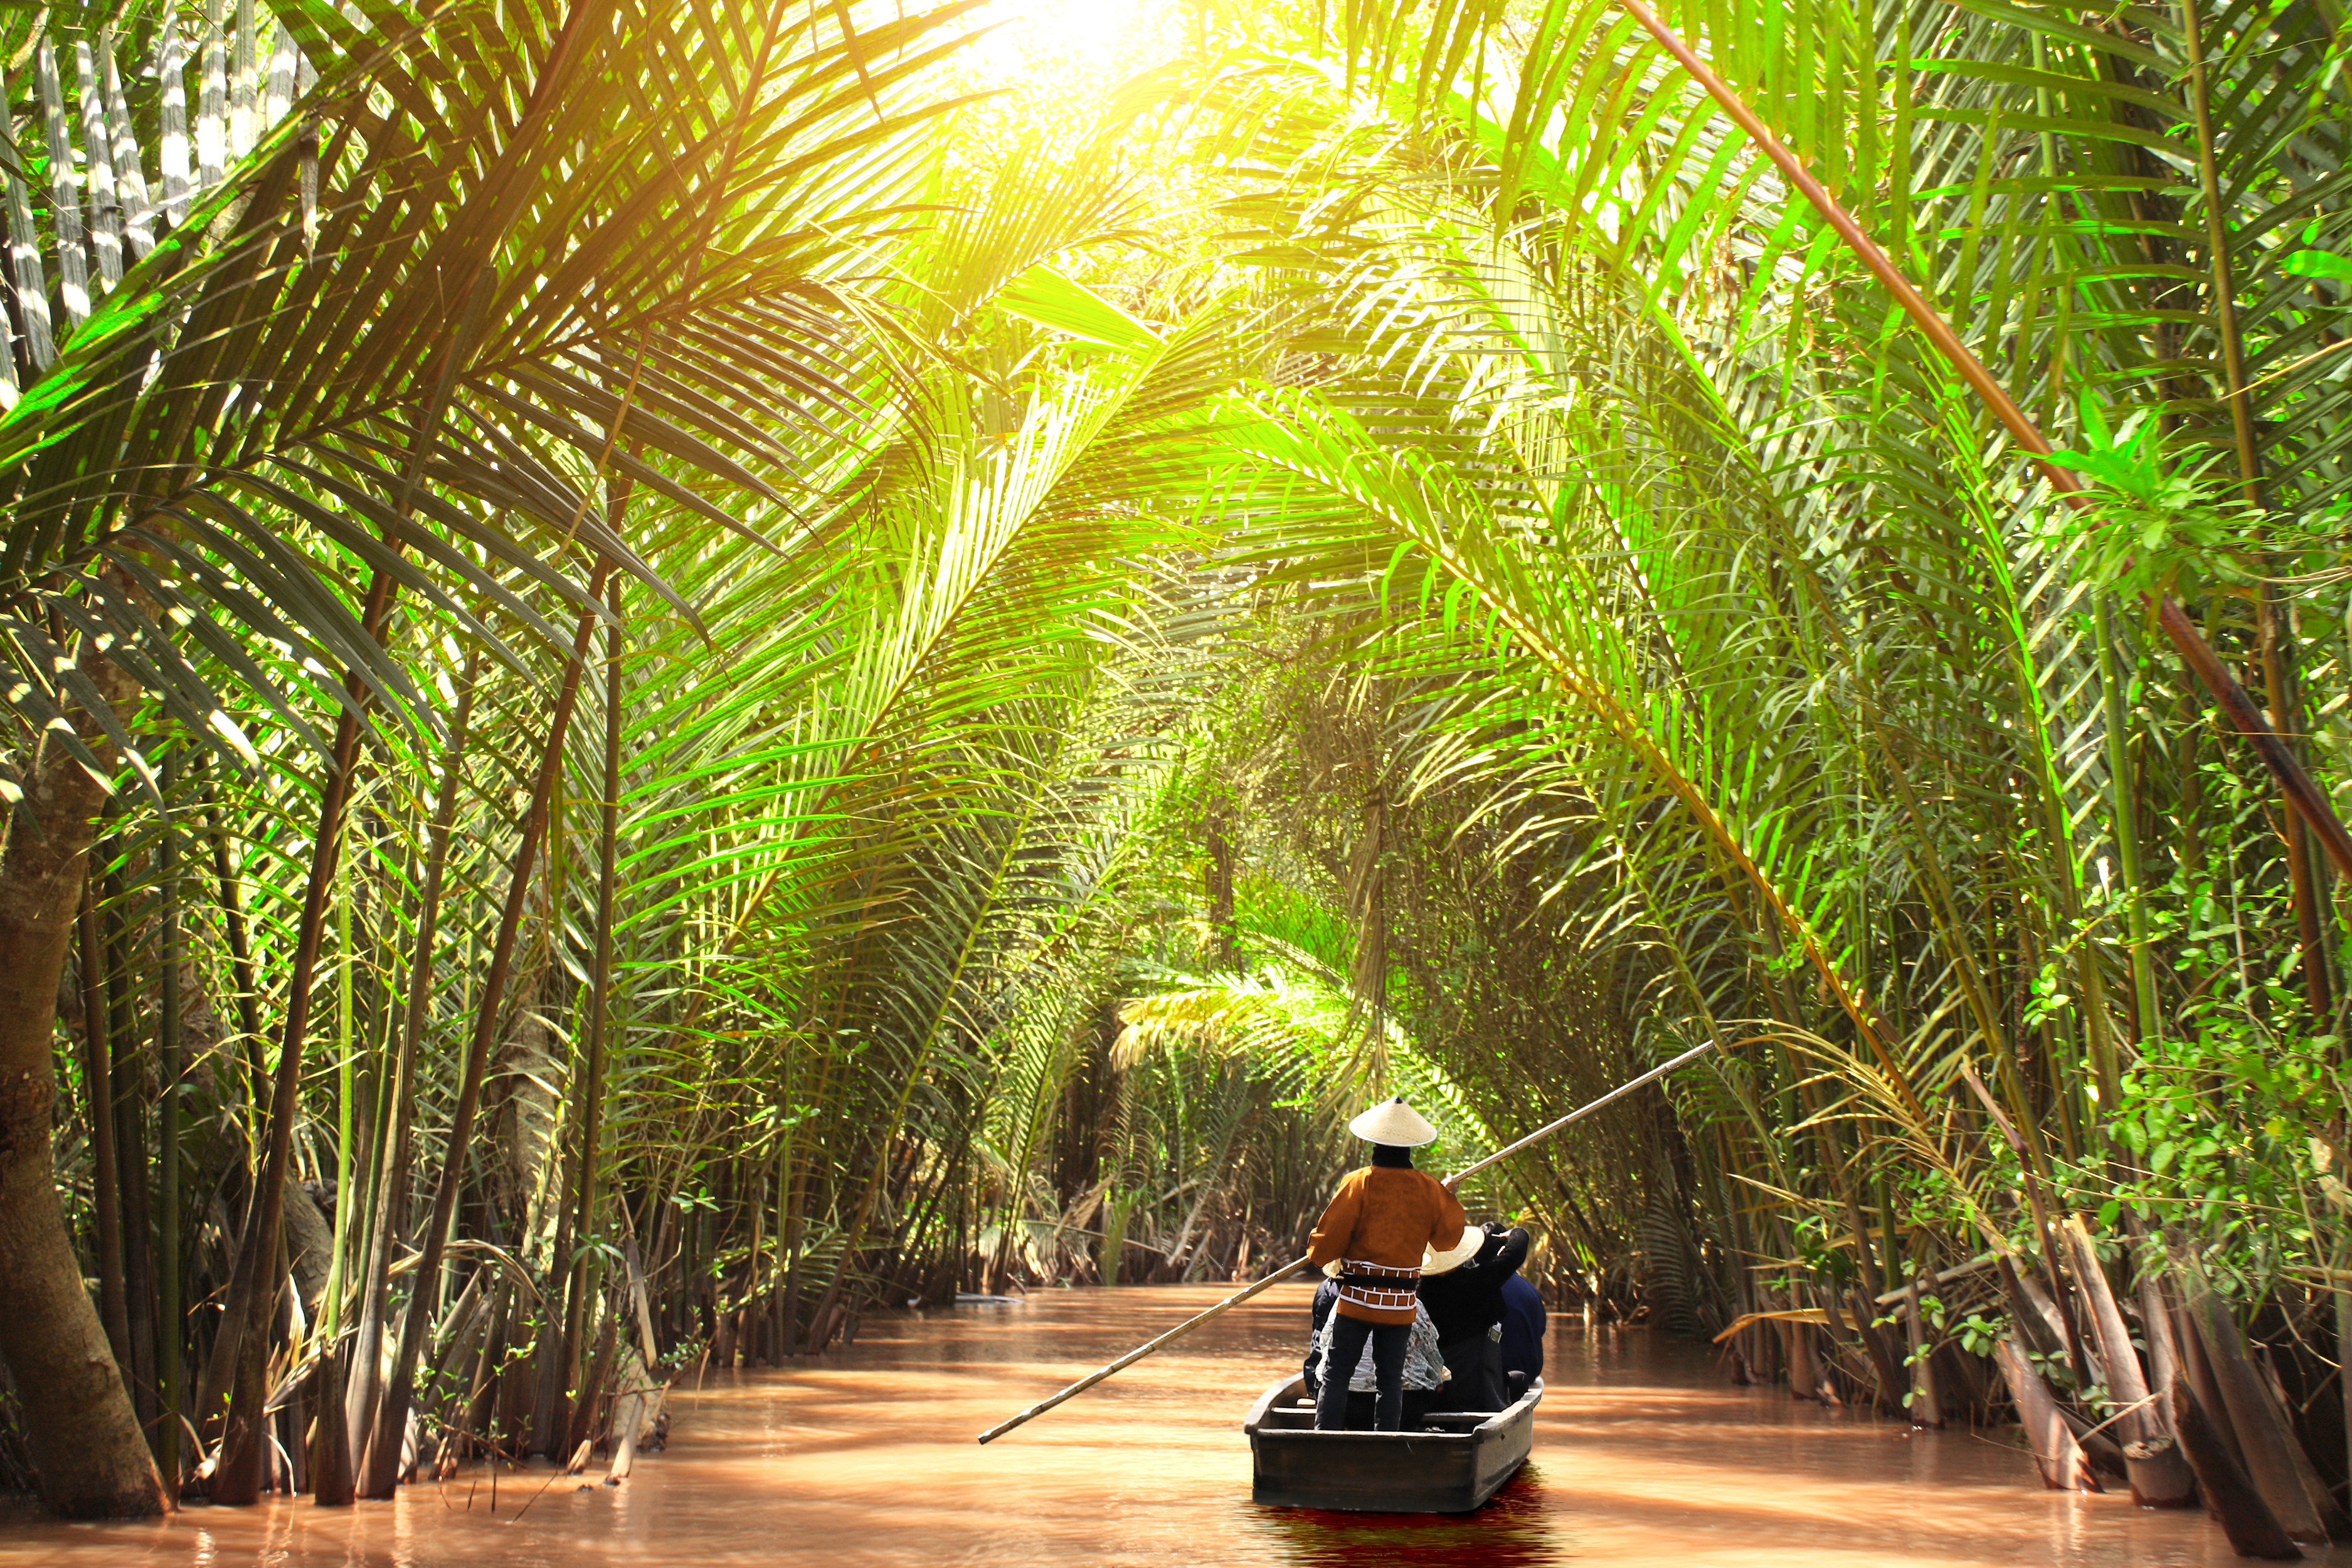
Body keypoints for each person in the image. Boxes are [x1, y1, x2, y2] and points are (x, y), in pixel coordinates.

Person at [1304, 1096, 1468, 1432]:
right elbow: (1447, 1240)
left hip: (1358, 1301)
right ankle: (1387, 1442)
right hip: (1401, 1304)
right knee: (1390, 1380)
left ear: (1374, 1144)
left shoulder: (1359, 1182)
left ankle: (1325, 1439)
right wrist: (1446, 1195)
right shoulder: (1428, 1189)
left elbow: (1327, 1243)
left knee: (1336, 1374)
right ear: (1409, 1148)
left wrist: (1316, 1254)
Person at [1303, 1274, 1449, 1429]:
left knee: (1333, 1378)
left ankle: (1325, 1438)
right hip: (1405, 1405)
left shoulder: (1344, 1302)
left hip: (1347, 1407)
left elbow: (1323, 1350)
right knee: (1440, 1381)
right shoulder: (1411, 1304)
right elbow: (1435, 1362)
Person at [1418, 1221, 1531, 1410]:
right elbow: (1515, 1252)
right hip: (1475, 1390)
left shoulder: (1420, 1290)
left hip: (1438, 1388)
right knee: (1519, 1380)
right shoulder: (1473, 1283)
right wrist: (1517, 1233)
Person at [1498, 1269, 1546, 1398]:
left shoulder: (1484, 1286)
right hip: (1529, 1371)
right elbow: (1540, 1330)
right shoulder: (1530, 1290)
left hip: (1500, 1374)